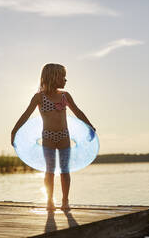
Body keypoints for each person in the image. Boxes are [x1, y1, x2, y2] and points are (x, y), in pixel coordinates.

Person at [11, 63, 96, 211]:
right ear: (53, 77)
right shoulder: (39, 98)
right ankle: (49, 201)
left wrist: (90, 126)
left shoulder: (65, 95)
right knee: (49, 170)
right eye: (62, 76)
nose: (65, 80)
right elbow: (26, 115)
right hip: (48, 137)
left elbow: (78, 112)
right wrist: (14, 131)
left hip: (64, 136)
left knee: (65, 170)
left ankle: (65, 201)